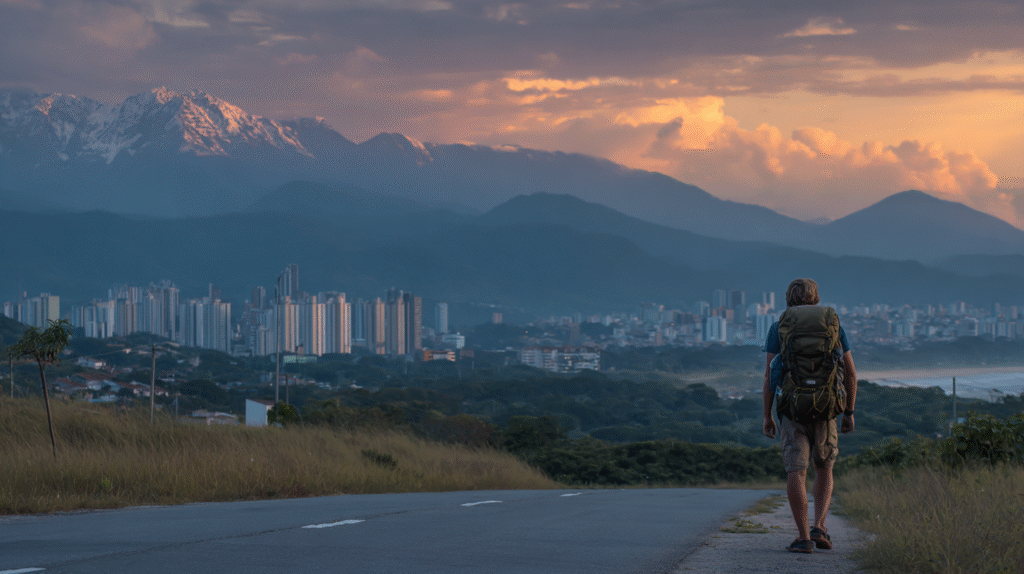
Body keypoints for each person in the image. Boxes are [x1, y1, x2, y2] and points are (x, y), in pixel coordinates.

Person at [762, 278, 857, 554]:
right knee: (824, 467)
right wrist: (849, 411)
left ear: (788, 299)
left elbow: (770, 375)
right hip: (827, 408)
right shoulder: (832, 325)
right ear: (816, 299)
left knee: (796, 470)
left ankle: (803, 538)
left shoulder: (778, 327)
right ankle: (819, 526)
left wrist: (767, 415)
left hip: (792, 408)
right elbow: (851, 373)